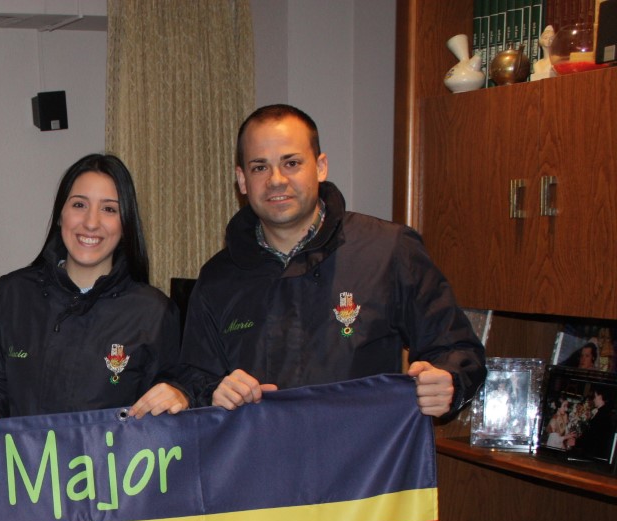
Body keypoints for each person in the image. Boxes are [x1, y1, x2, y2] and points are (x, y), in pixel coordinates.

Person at [129, 104, 486, 419]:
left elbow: (457, 349)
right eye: (259, 167)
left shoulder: (389, 250)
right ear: (241, 180)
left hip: (364, 481)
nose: (276, 180)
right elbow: (194, 375)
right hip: (263, 484)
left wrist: (449, 380)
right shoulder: (218, 278)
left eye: (291, 163)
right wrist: (212, 391)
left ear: (320, 166)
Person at [0, 153, 180, 436]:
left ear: (126, 223)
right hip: (25, 474)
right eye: (79, 205)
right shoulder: (12, 294)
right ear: (61, 214)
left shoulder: (154, 312)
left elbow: (169, 410)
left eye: (109, 209)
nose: (91, 222)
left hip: (109, 477)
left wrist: (178, 396)